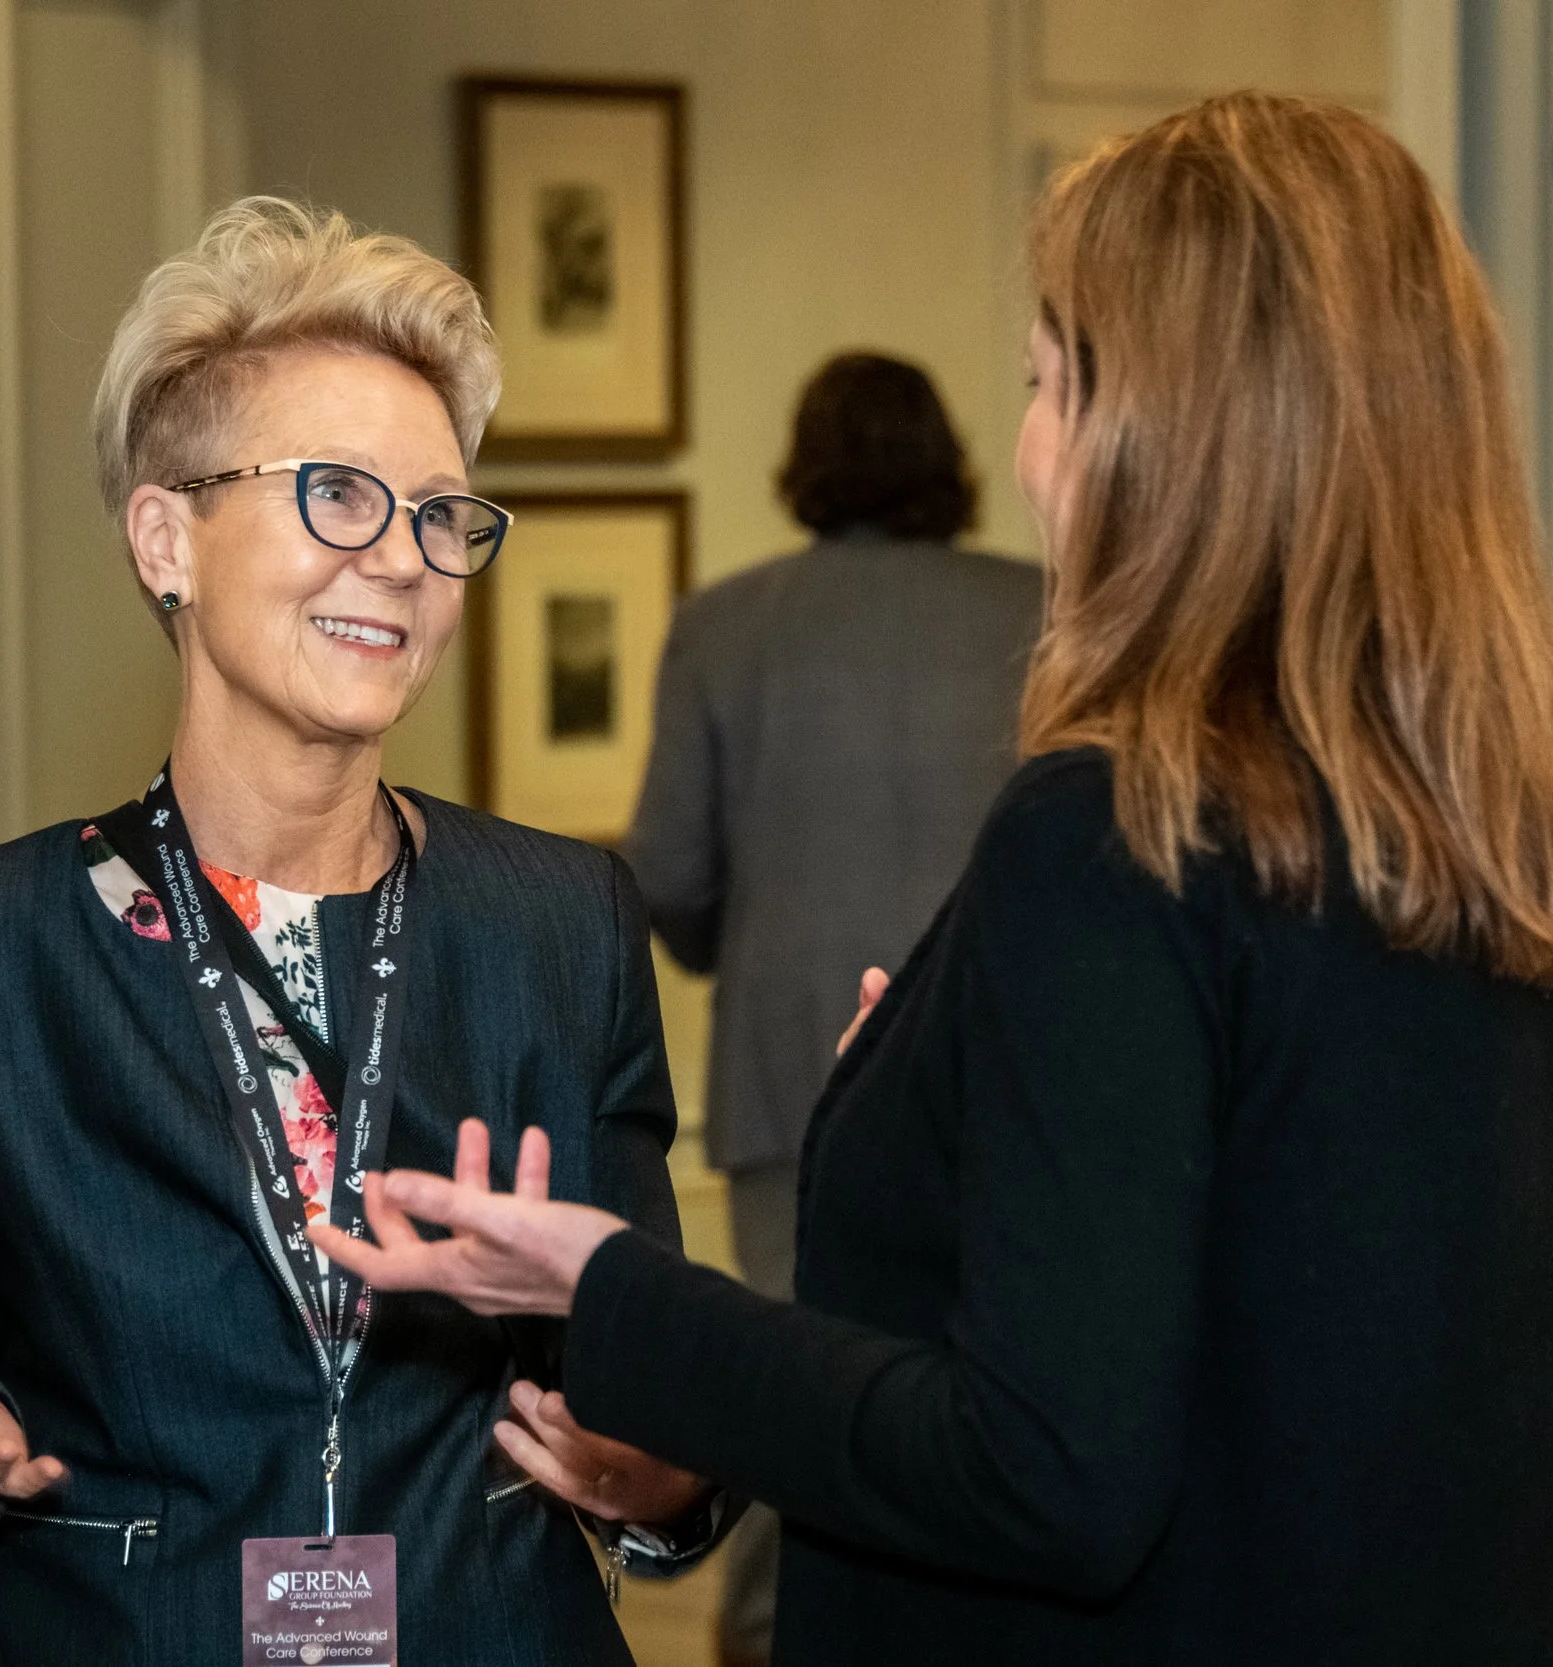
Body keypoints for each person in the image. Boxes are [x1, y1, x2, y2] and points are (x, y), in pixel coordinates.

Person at [312, 93, 1553, 1665]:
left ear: (1159, 431)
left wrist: (611, 1283)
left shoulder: (1119, 832)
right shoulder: (1541, 831)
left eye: (1045, 383)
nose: (1031, 446)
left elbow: (1044, 1473)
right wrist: (949, 1108)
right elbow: (1286, 1322)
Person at [0, 197, 721, 1666]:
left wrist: (663, 1466)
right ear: (168, 535)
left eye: (438, 515)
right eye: (337, 494)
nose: (404, 559)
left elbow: (641, 1388)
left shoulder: (563, 920)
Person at [625, 350, 1039, 1665]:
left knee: (797, 1391)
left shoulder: (726, 621)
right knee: (1002, 1389)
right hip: (1018, 1069)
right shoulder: (1049, 606)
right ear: (952, 456)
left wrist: (733, 938)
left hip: (790, 1072)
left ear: (803, 465)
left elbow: (668, 872)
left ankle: (763, 1642)